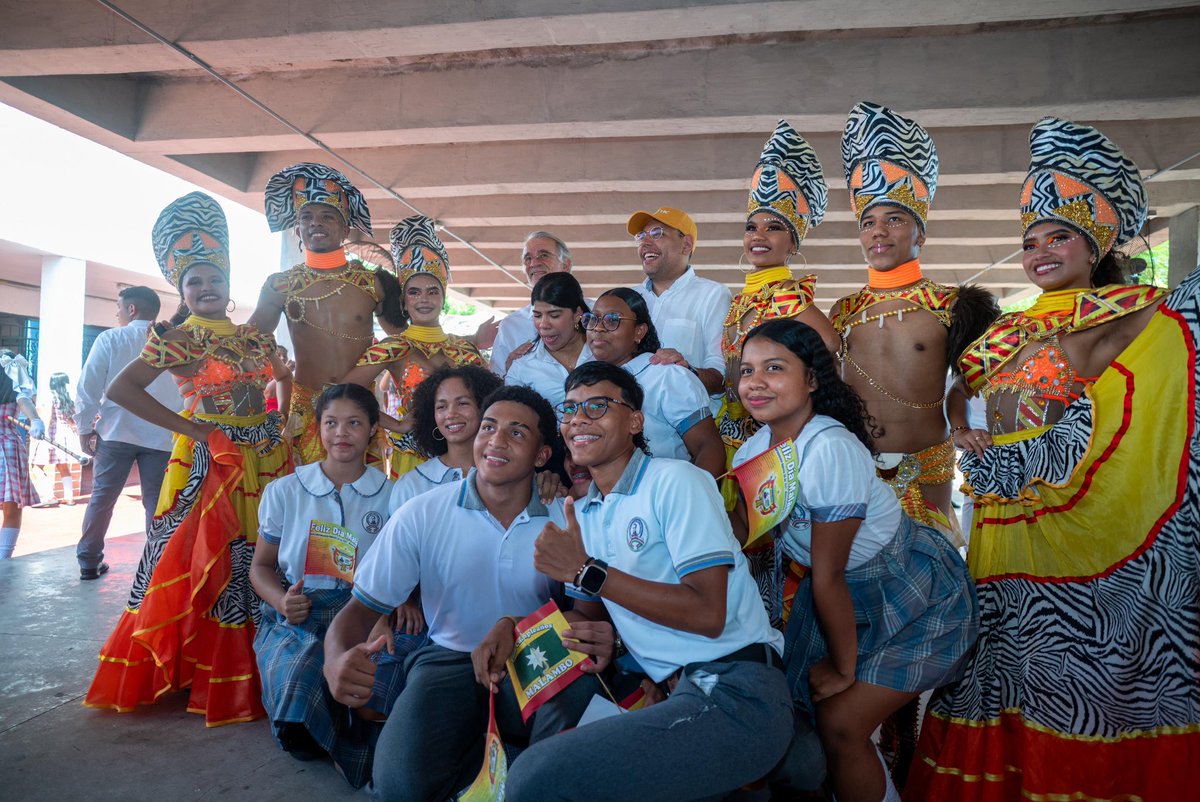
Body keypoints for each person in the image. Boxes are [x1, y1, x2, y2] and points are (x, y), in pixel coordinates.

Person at [908, 119, 1200, 802]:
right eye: (1030, 242)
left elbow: (1168, 357)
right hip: (1000, 509)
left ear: (1095, 246)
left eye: (1059, 237)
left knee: (1068, 655)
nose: (1041, 252)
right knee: (1004, 650)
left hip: (1068, 506)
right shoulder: (1008, 325)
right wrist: (961, 430)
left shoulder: (1127, 310)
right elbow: (963, 387)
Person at [503, 361, 792, 801]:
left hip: (734, 690)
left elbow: (708, 614)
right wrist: (508, 628)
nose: (578, 418)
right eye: (570, 409)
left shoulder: (676, 482)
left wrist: (584, 571)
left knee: (536, 777)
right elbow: (592, 621)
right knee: (526, 725)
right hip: (674, 689)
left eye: (597, 406)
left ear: (635, 421)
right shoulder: (583, 514)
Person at [733, 319, 978, 802]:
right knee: (810, 716)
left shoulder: (830, 448)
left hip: (910, 589)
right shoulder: (753, 450)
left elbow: (829, 573)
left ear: (812, 380)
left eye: (775, 368)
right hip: (838, 595)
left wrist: (844, 669)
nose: (755, 382)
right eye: (746, 370)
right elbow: (744, 536)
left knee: (841, 722)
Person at [323, 385, 602, 801]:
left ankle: (523, 774)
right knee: (400, 787)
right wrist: (333, 661)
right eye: (488, 427)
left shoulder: (568, 519)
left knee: (575, 694)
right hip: (446, 659)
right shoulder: (423, 512)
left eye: (517, 433)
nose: (496, 441)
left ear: (543, 456)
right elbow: (357, 614)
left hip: (533, 655)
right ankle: (489, 760)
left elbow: (588, 620)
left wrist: (517, 628)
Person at [85, 192, 293, 726]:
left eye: (213, 279)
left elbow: (283, 375)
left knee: (262, 554)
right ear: (181, 290)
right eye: (193, 281)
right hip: (209, 464)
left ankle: (268, 662)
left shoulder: (253, 336)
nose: (205, 288)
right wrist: (193, 428)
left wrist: (283, 416)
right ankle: (204, 667)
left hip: (262, 457)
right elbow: (121, 389)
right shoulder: (177, 340)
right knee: (204, 558)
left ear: (228, 285)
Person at [832, 102, 998, 542]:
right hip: (857, 462)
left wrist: (961, 426)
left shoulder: (951, 305)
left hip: (927, 462)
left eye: (895, 219)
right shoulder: (842, 311)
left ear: (919, 233)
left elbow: (967, 382)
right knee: (857, 582)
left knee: (930, 572)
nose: (878, 231)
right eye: (868, 222)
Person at [250, 384, 402, 788]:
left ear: (373, 430)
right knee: (300, 702)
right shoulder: (285, 491)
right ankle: (341, 728)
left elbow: (403, 571)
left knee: (369, 683)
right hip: (299, 613)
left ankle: (349, 726)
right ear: (318, 428)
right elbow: (260, 568)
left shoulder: (391, 496)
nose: (342, 433)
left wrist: (383, 615)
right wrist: (283, 602)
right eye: (331, 423)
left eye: (354, 423)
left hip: (365, 614)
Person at [251, 162, 381, 465]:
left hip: (359, 407)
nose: (315, 223)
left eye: (327, 216)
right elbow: (247, 339)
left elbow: (407, 342)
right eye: (306, 217)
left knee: (363, 498)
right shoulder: (280, 284)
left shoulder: (373, 283)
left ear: (345, 229)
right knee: (306, 498)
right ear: (297, 229)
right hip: (306, 409)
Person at [343, 215, 485, 478]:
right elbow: (345, 391)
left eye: (433, 291)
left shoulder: (464, 349)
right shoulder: (394, 347)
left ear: (443, 298)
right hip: (412, 460)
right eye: (414, 292)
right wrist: (394, 424)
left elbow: (490, 400)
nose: (424, 299)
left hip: (465, 459)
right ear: (403, 302)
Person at [74, 285, 184, 580]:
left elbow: (89, 386)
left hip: (115, 433)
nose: (117, 312)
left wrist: (84, 428)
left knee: (102, 498)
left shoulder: (110, 338)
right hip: (162, 435)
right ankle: (157, 568)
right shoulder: (174, 342)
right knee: (158, 504)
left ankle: (88, 560)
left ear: (131, 309)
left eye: (119, 307)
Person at [584, 288, 724, 479]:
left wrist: (691, 499)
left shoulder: (666, 376)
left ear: (639, 332)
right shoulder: (585, 381)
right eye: (593, 319)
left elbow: (709, 448)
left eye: (612, 320)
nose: (598, 328)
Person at [392, 364, 502, 508]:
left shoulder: (507, 475)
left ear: (484, 407)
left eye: (462, 403)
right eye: (441, 407)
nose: (450, 414)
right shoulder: (412, 485)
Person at [490, 231, 574, 378]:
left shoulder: (594, 313)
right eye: (528, 258)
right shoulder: (511, 326)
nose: (534, 263)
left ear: (565, 265)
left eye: (543, 255)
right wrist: (509, 369)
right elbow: (495, 383)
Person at [505, 272, 592, 408]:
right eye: (538, 316)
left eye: (554, 315)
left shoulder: (604, 351)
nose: (543, 325)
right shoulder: (522, 366)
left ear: (577, 314)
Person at [0, 348, 43, 559]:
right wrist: (35, 419)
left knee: (11, 507)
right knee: (12, 508)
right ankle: (3, 558)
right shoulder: (16, 388)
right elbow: (24, 400)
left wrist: (36, 420)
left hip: (8, 448)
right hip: (7, 449)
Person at [30, 372, 81, 506]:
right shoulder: (68, 398)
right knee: (63, 466)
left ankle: (48, 496)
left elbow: (47, 419)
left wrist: (40, 438)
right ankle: (69, 497)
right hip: (66, 436)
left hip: (51, 435)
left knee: (36, 466)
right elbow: (73, 420)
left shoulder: (51, 397)